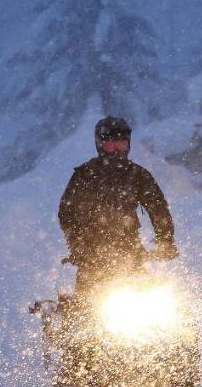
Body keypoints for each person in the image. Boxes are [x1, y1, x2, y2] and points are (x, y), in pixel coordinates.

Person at [59, 116, 178, 295]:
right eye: (110, 145)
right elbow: (66, 213)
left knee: (156, 302)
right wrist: (78, 244)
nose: (116, 151)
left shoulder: (137, 175)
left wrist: (165, 242)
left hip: (131, 254)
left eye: (121, 145)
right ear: (100, 146)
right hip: (91, 260)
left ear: (128, 145)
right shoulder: (84, 175)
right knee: (82, 306)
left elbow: (159, 209)